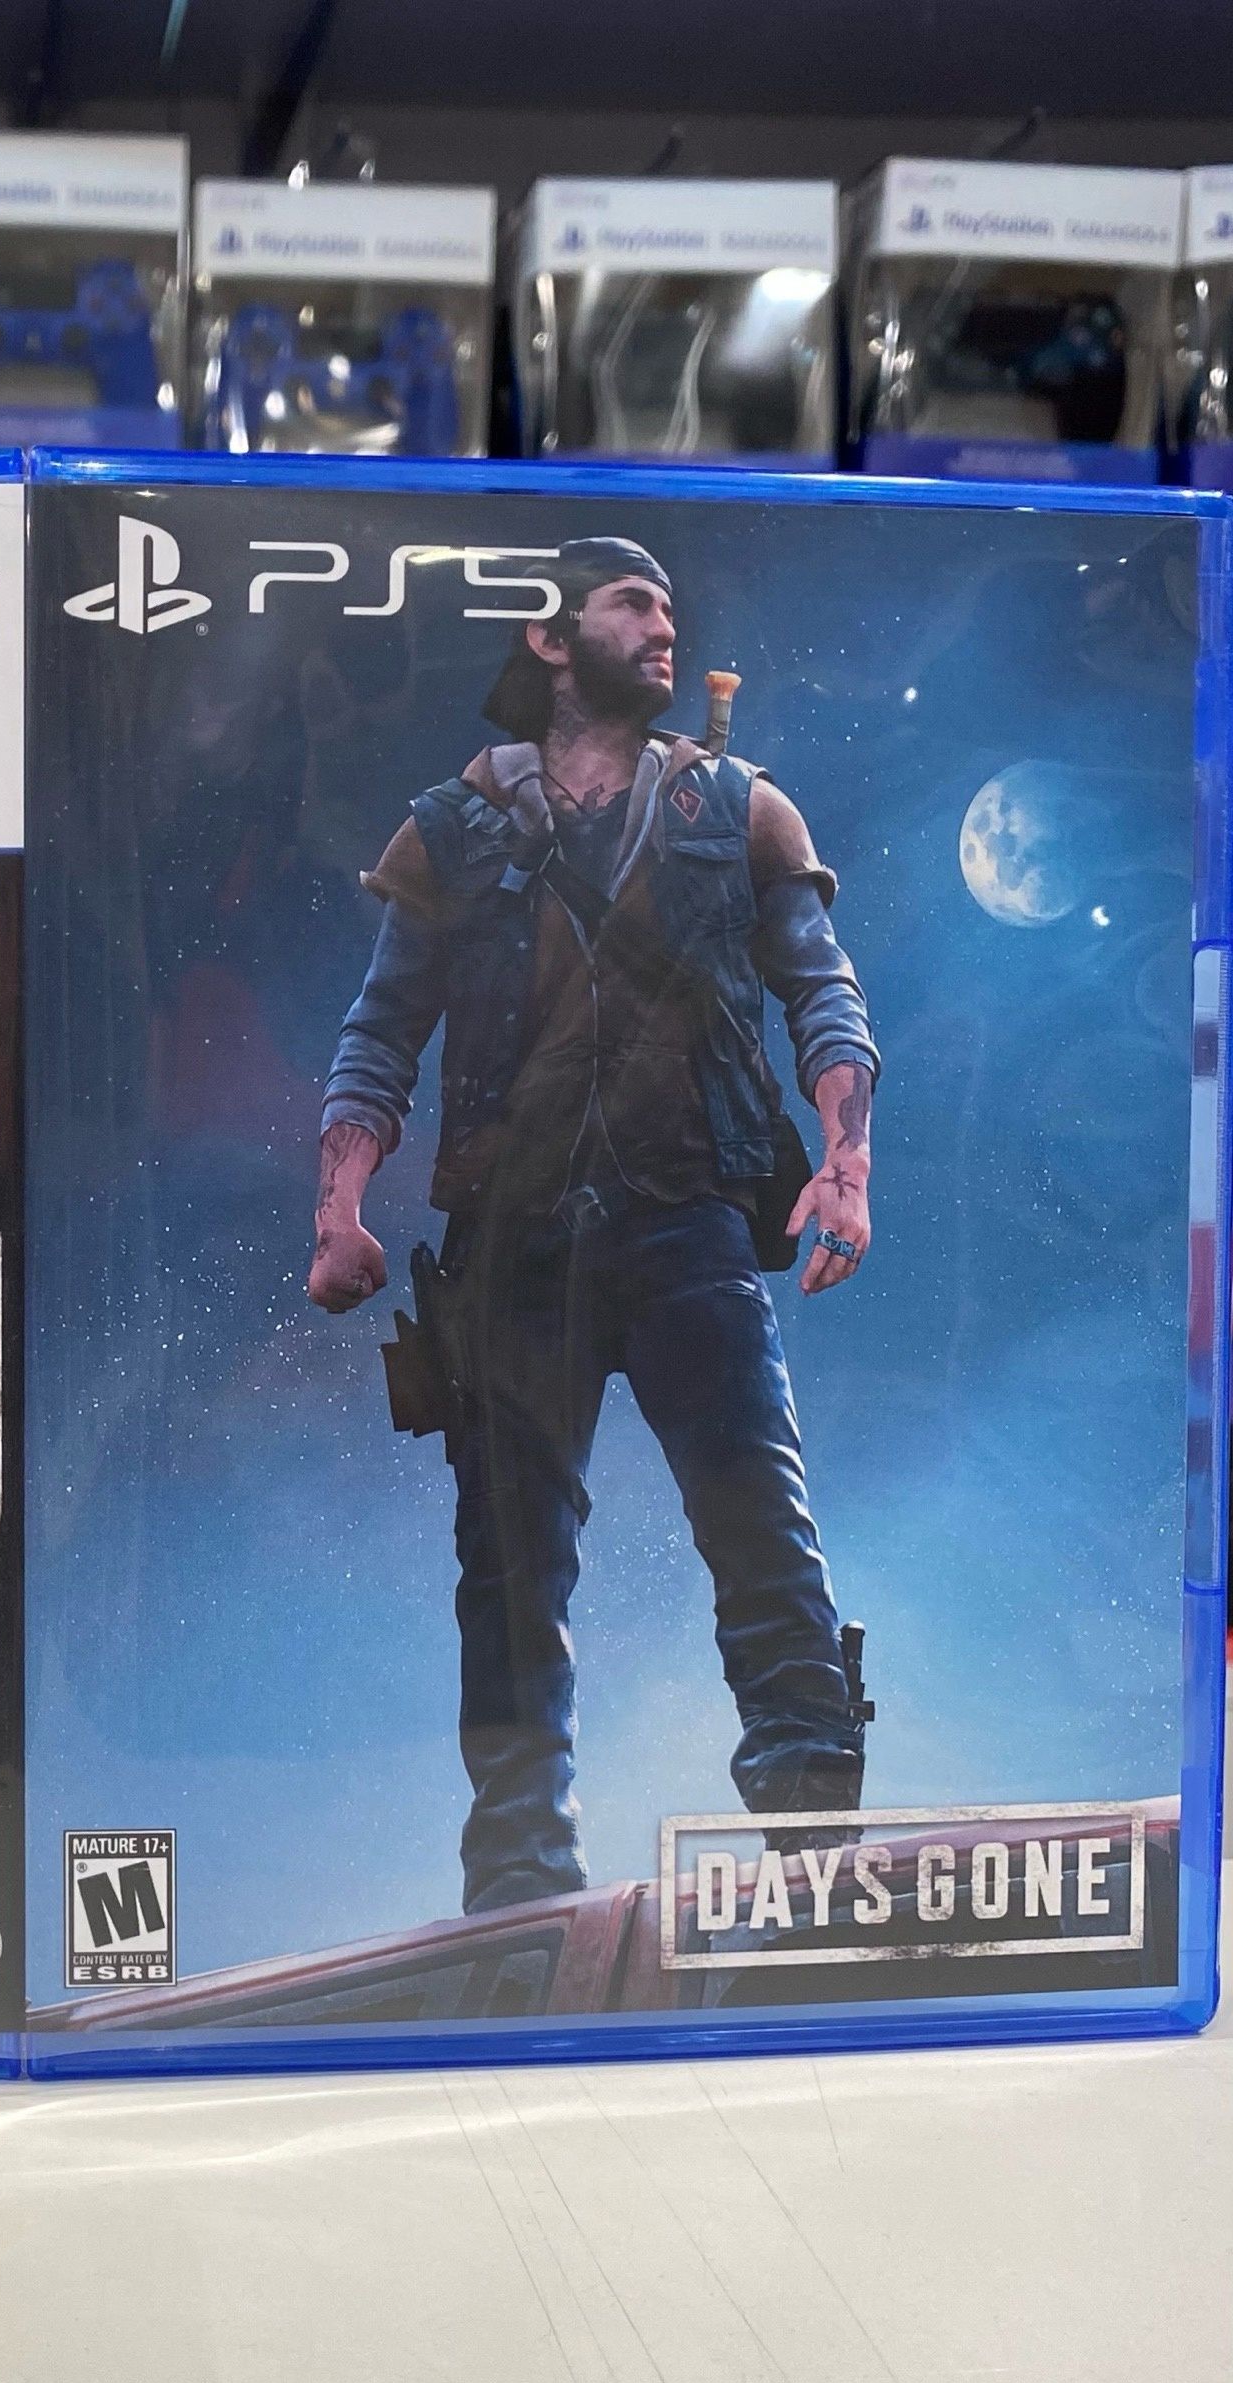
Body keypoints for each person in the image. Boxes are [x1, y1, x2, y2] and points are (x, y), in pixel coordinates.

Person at [307, 536, 880, 1912]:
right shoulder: (452, 829)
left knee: (760, 1529)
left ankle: (812, 1836)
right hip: (515, 1249)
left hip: (689, 1224)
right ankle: (517, 1879)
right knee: (509, 1572)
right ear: (552, 639)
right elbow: (379, 1035)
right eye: (633, 604)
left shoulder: (739, 808)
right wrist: (337, 1207)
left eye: (672, 606)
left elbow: (823, 993)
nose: (663, 626)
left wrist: (846, 1160)